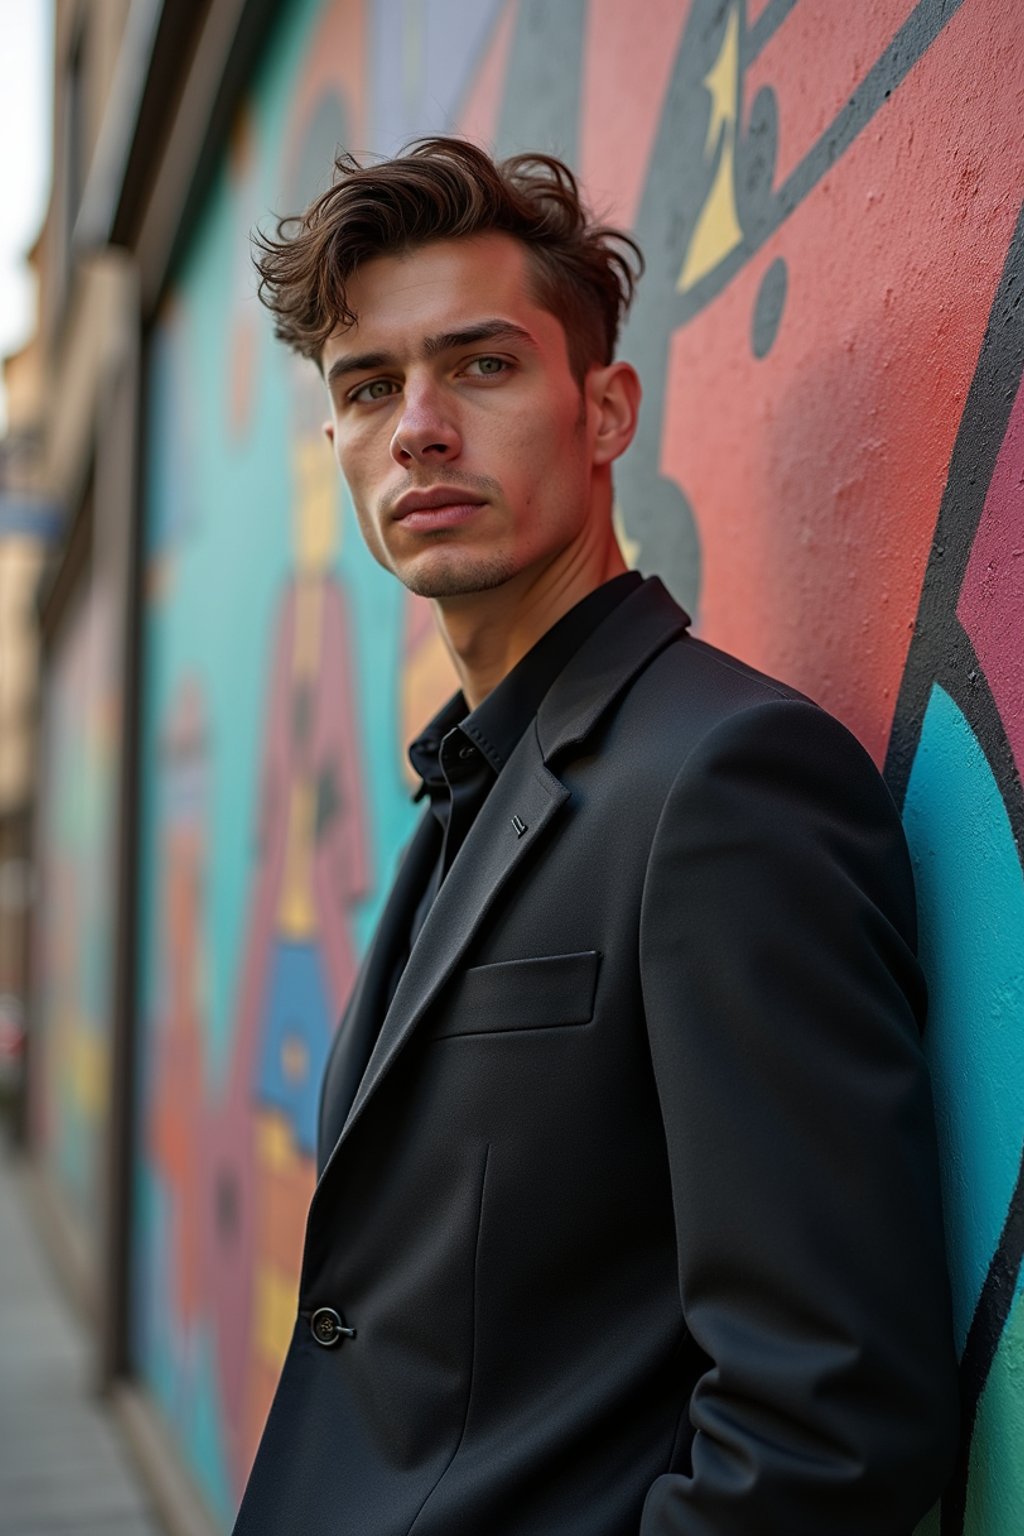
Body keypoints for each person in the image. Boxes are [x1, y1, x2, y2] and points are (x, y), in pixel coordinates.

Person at [233, 137, 958, 1535]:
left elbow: (830, 1418)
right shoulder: (470, 787)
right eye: (368, 386)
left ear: (606, 407)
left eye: (483, 365)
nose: (419, 426)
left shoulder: (728, 782)